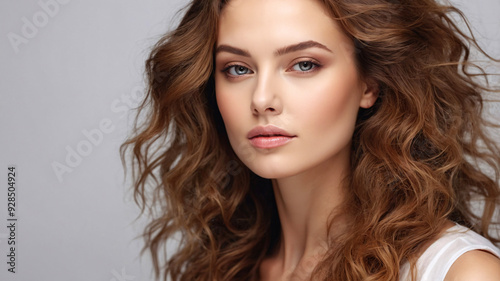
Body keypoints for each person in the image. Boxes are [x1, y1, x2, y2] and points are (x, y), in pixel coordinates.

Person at [121, 0, 500, 280]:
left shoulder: (458, 272)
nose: (262, 99)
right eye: (238, 69)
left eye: (304, 64)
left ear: (369, 83)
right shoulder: (221, 268)